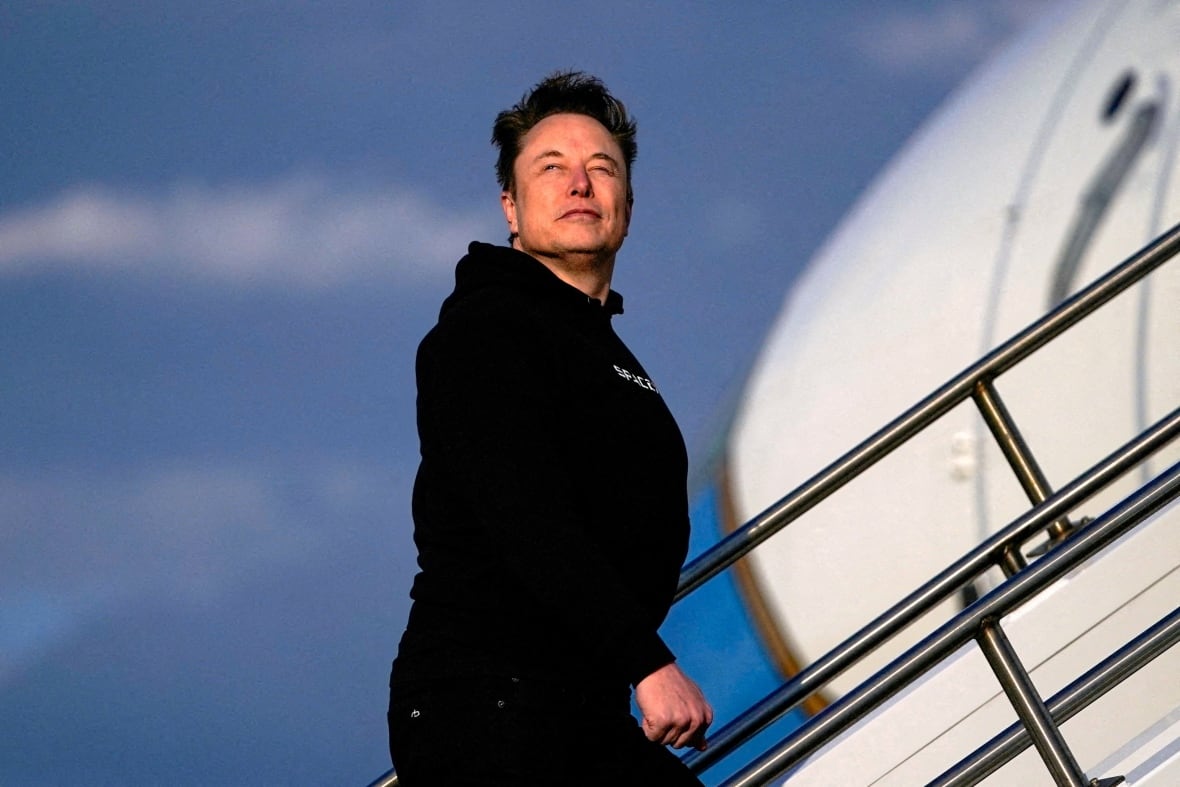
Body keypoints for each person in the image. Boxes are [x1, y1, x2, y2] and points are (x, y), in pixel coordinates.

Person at [387, 70, 712, 786]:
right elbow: (523, 515)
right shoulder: (488, 328)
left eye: (602, 169)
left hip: (575, 707)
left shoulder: (601, 349)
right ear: (511, 205)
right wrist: (649, 661)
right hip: (488, 702)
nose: (580, 184)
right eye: (552, 167)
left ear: (627, 202)